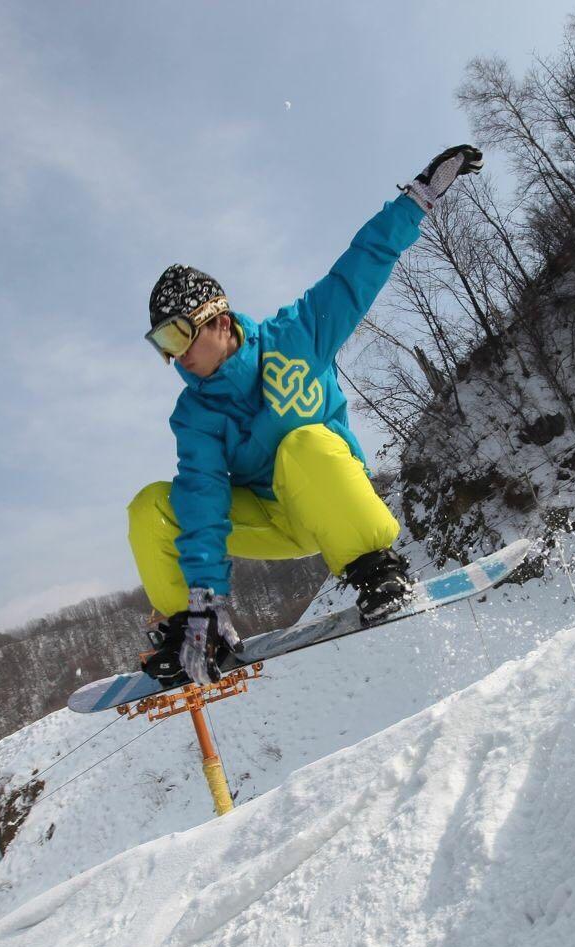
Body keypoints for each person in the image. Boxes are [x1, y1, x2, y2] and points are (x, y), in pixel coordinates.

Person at [128, 144, 485, 685]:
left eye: (178, 334)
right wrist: (206, 598)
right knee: (151, 505)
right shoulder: (195, 413)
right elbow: (202, 499)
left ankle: (376, 567)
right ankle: (193, 629)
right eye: (162, 344)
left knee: (303, 444)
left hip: (329, 499)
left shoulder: (296, 337)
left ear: (217, 320)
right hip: (271, 523)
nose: (174, 355)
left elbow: (357, 271)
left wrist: (415, 201)